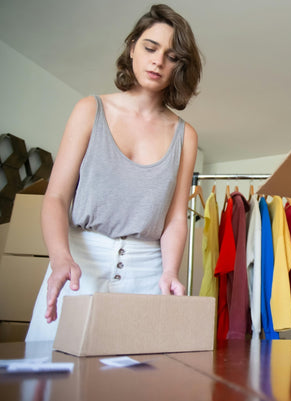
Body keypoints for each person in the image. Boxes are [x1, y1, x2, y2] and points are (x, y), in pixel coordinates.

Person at [25, 4, 203, 342]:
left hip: (147, 271)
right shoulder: (89, 109)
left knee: (134, 382)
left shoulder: (186, 136)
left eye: (171, 56)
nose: (157, 61)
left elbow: (176, 219)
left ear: (180, 66)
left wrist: (169, 271)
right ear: (133, 47)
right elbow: (57, 198)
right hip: (79, 265)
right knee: (53, 379)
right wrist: (60, 257)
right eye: (150, 48)